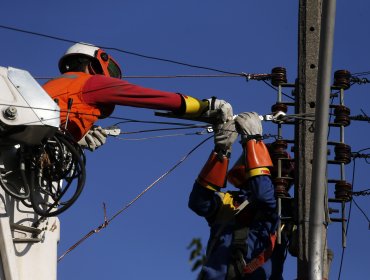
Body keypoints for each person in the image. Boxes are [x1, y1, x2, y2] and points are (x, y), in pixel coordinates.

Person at [43, 42, 231, 150]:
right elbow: (152, 98)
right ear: (94, 65)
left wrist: (76, 138)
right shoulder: (91, 82)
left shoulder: (53, 85)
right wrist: (204, 106)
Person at [188, 112, 284, 279]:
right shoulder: (229, 201)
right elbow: (199, 203)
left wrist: (253, 141)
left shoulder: (281, 208)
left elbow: (262, 194)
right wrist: (221, 152)